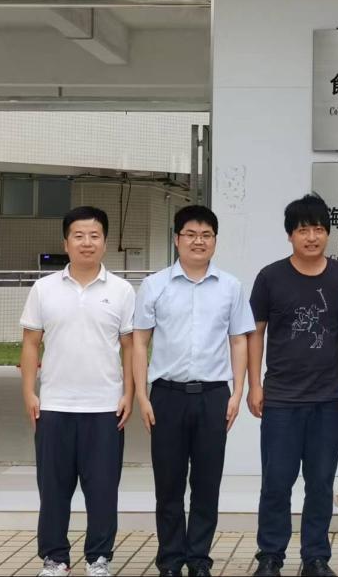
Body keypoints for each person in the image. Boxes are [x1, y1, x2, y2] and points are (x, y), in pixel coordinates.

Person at [132, 205, 255, 577]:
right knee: (168, 483)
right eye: (190, 234)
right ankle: (171, 559)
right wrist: (142, 395)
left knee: (206, 483)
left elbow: (239, 340)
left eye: (206, 235)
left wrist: (237, 392)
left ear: (214, 241)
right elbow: (140, 342)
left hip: (213, 396)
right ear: (177, 239)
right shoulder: (155, 285)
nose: (198, 241)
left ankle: (199, 559)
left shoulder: (230, 287)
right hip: (166, 396)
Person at [20, 206, 135, 577]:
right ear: (66, 242)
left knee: (103, 490)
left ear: (105, 242)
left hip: (105, 407)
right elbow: (30, 343)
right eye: (79, 236)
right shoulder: (44, 288)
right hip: (54, 406)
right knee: (53, 490)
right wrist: (29, 392)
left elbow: (130, 347)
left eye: (94, 235)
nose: (87, 242)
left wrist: (129, 393)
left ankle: (99, 558)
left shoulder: (121, 290)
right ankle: (55, 558)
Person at [247, 194, 338, 577]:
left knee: (321, 482)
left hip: (329, 399)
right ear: (290, 234)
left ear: (328, 233)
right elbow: (255, 333)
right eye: (303, 230)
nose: (311, 237)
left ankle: (315, 556)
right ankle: (270, 555)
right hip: (281, 399)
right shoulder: (270, 277)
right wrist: (254, 385)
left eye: (318, 229)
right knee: (276, 482)